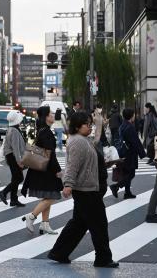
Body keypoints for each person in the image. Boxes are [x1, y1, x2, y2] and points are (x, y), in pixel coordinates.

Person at [48, 111, 119, 268]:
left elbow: (86, 162)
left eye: (90, 124)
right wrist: (68, 185)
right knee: (99, 224)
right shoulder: (78, 142)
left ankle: (59, 253)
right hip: (86, 190)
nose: (90, 126)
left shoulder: (82, 139)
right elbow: (73, 166)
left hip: (86, 188)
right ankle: (103, 258)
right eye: (87, 124)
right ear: (78, 126)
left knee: (79, 224)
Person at [21, 105, 63, 235]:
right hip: (47, 170)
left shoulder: (42, 130)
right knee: (53, 196)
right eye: (50, 114)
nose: (53, 116)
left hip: (42, 169)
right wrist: (57, 170)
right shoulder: (46, 132)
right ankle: (32, 216)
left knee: (47, 196)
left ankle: (45, 224)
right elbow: (50, 155)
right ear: (46, 117)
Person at [110, 108, 145, 199]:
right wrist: (142, 153)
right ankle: (116, 186)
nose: (134, 116)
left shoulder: (122, 125)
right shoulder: (130, 127)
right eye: (133, 114)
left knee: (126, 173)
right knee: (131, 174)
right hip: (130, 154)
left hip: (123, 152)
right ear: (131, 115)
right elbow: (135, 142)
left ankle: (127, 192)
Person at [0, 110, 27, 207]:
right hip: (13, 156)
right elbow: (15, 147)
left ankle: (14, 199)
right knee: (19, 178)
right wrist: (19, 161)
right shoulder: (14, 130)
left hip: (10, 156)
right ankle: (4, 192)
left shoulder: (11, 129)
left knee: (16, 177)